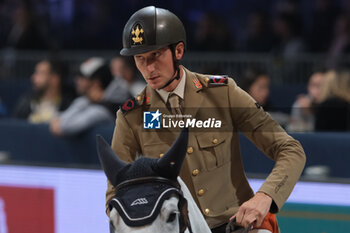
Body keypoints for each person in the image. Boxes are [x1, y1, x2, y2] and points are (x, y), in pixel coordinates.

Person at [106, 6, 306, 233]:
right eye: (140, 59)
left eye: (156, 55)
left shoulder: (222, 93)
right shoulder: (131, 116)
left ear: (178, 51)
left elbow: (290, 149)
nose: (148, 68)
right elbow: (115, 192)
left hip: (236, 227)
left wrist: (265, 196)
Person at [50, 62, 116, 136]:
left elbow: (64, 127)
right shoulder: (83, 101)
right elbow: (55, 119)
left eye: (82, 77)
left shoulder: (102, 110)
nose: (77, 81)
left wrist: (58, 123)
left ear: (96, 82)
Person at [13, 58, 75, 123]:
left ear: (55, 79)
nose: (33, 77)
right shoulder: (26, 101)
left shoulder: (70, 104)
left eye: (40, 73)